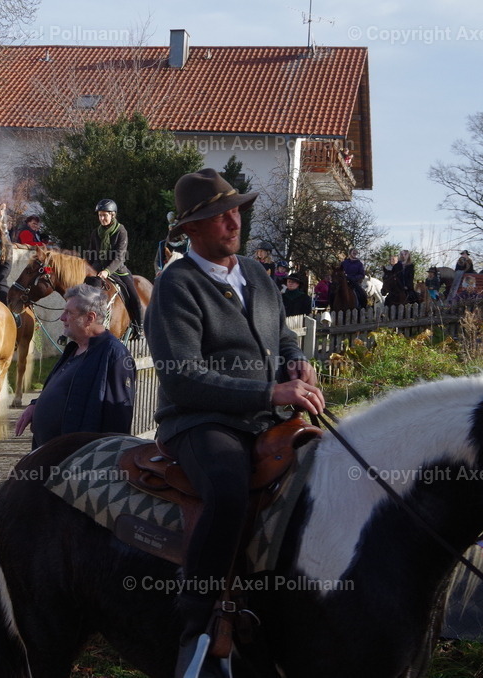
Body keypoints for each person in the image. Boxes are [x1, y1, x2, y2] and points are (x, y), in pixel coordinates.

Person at [145, 168, 323, 678]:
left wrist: (295, 363)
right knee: (226, 489)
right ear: (192, 229)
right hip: (201, 423)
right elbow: (184, 380)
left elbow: (281, 336)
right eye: (216, 216)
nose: (232, 220)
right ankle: (197, 625)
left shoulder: (255, 272)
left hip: (266, 418)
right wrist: (270, 390)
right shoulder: (176, 285)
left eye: (235, 210)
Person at [14, 283, 135, 448]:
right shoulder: (74, 349)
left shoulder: (114, 355)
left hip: (78, 462)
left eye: (68, 313)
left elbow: (118, 421)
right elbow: (63, 388)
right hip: (51, 457)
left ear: (89, 318)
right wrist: (36, 404)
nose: (62, 318)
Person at [86, 198, 143, 336]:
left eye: (105, 215)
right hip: (98, 270)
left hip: (117, 270)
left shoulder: (121, 231)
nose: (102, 218)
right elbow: (91, 254)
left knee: (134, 297)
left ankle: (139, 326)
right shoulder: (96, 232)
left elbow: (119, 256)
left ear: (113, 215)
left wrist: (107, 271)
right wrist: (87, 268)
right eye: (100, 215)